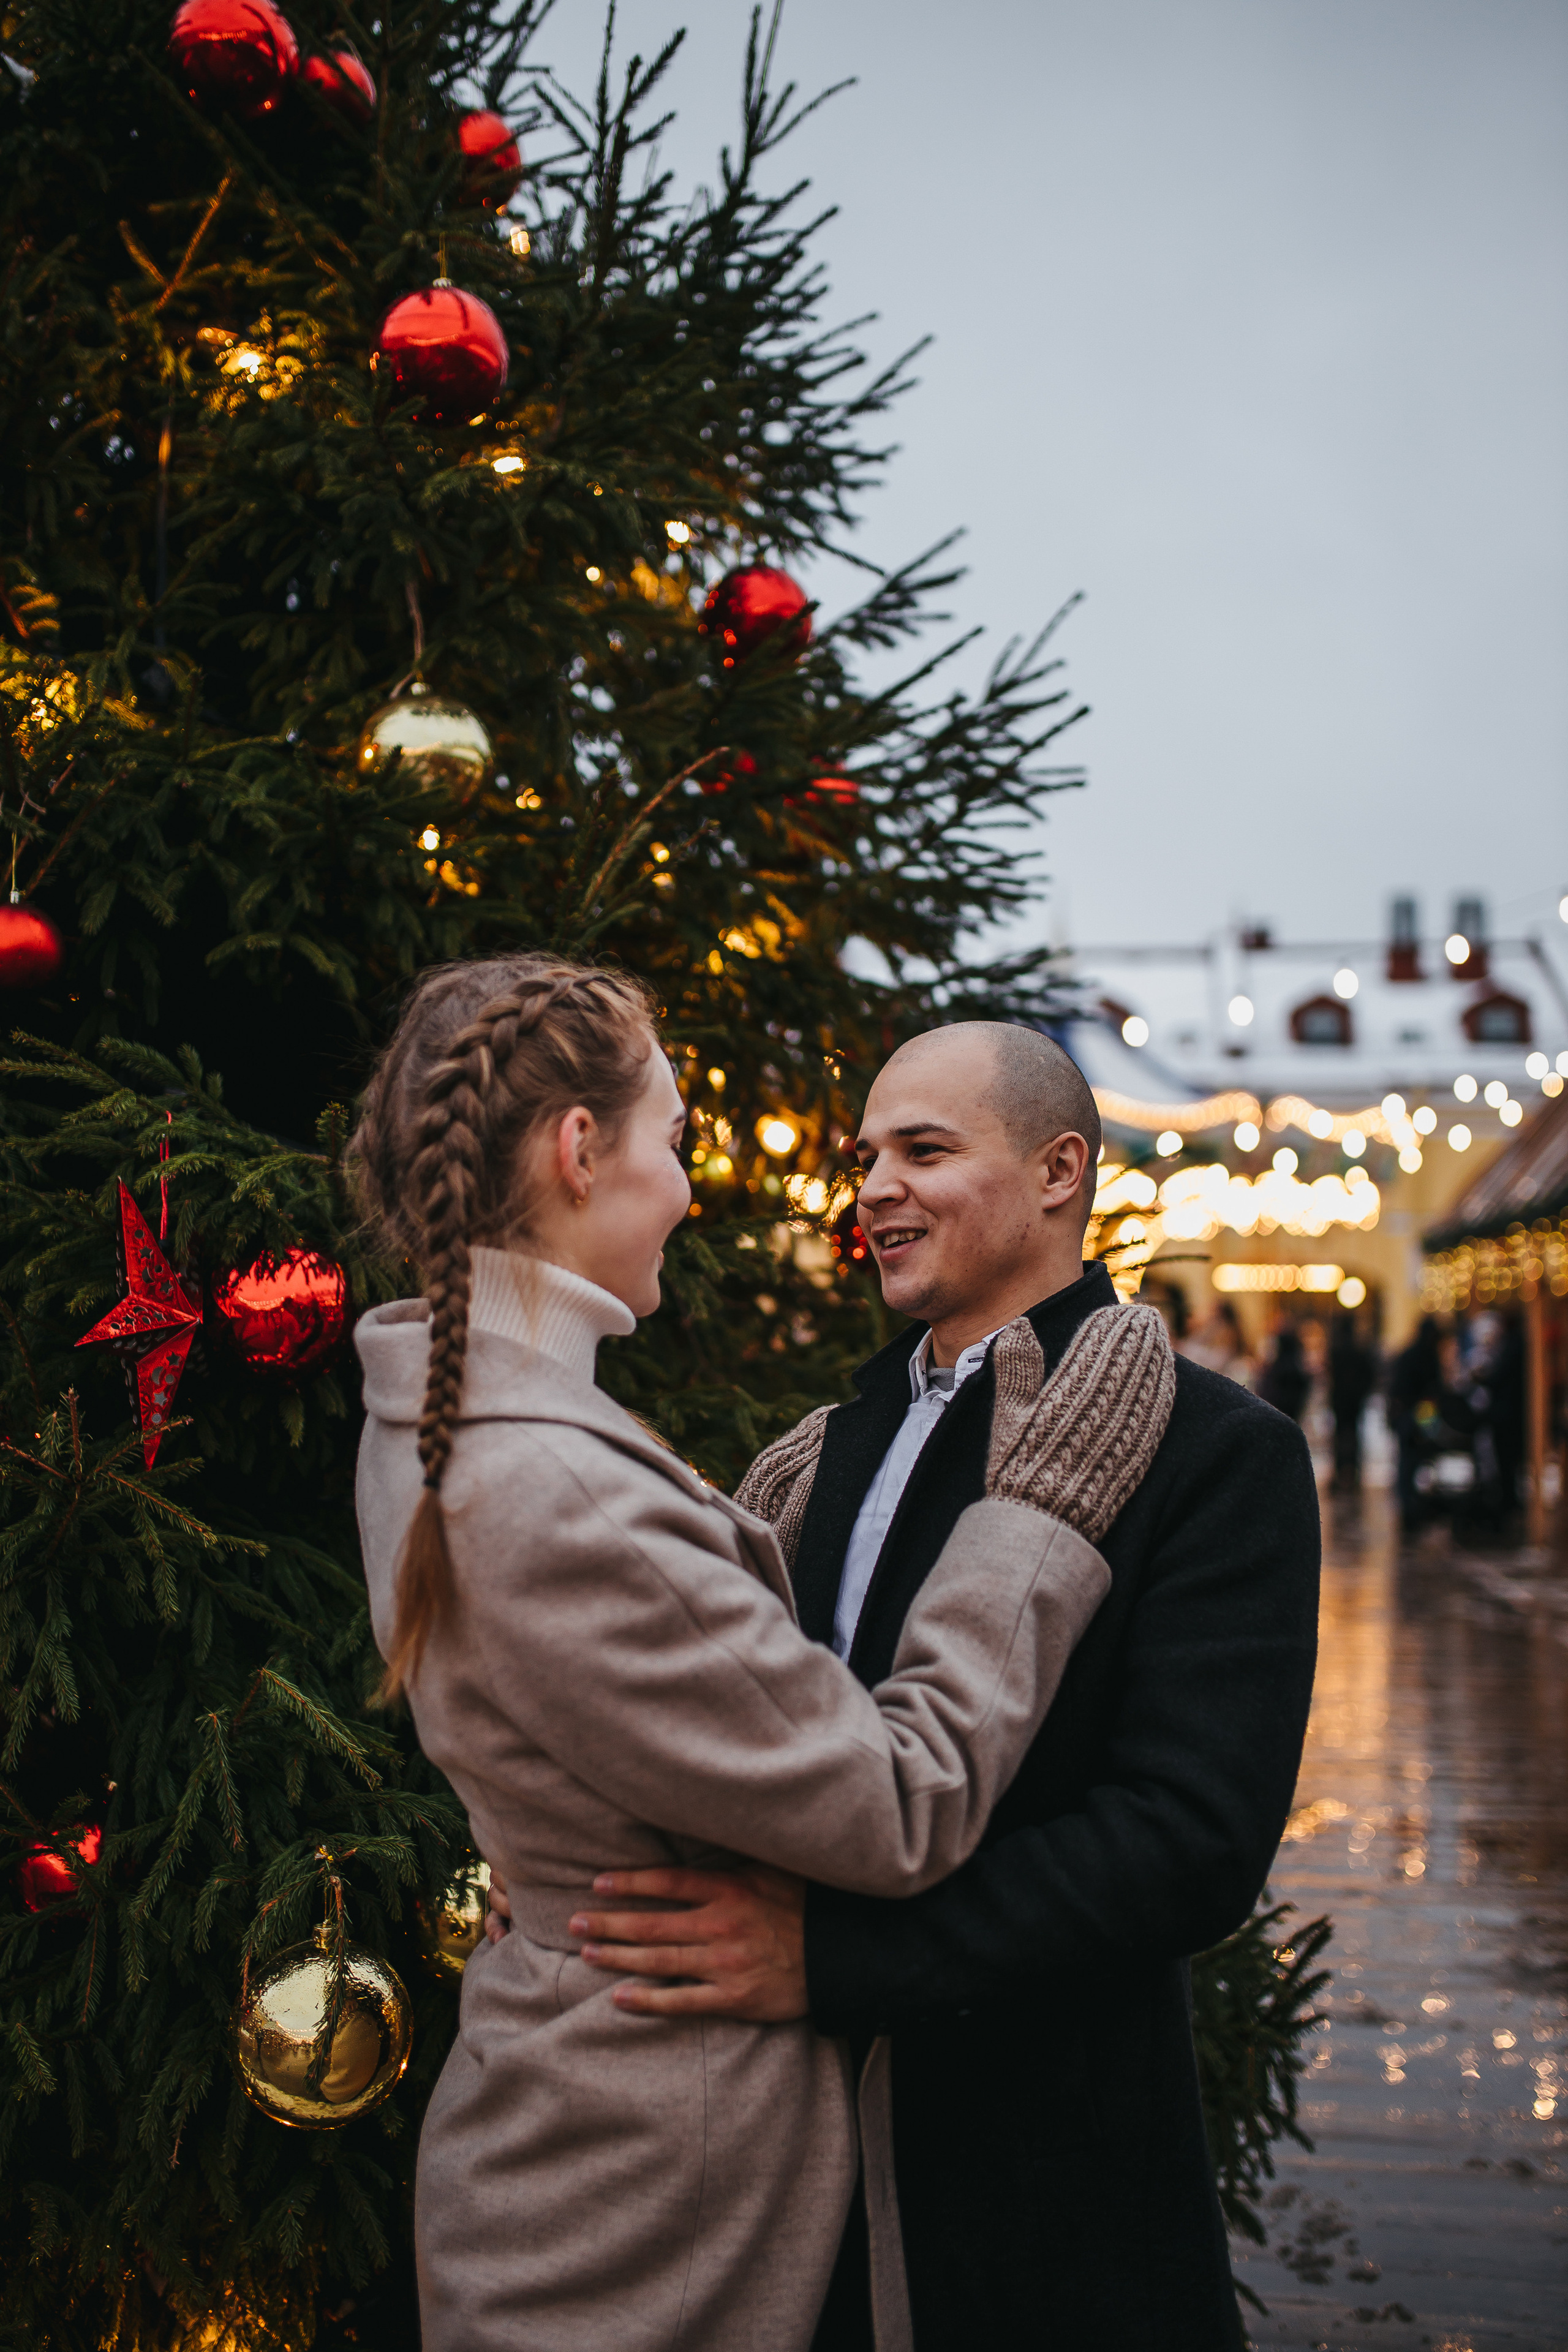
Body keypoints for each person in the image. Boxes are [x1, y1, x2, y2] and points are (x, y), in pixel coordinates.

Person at [349, 957, 1175, 2352]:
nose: (688, 1188)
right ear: (578, 1151)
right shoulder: (563, 1483)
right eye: (673, 1141)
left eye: (924, 1151)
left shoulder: (423, 1417)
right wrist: (1034, 1516)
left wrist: (727, 1549)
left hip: (580, 2114)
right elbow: (899, 1800)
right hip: (640, 2182)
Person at [535, 1021, 1321, 2352]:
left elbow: (1187, 1845)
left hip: (1039, 2181)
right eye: (864, 1159)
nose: (875, 1189)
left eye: (925, 1151)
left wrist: (835, 1959)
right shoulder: (820, 1453)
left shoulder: (1214, 1452)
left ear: (1059, 1171)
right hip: (783, 2171)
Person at [1328, 1315, 1378, 1491]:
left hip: (1340, 1401)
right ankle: (1353, 1474)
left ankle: (1340, 1473)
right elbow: (1369, 1375)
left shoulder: (1336, 1350)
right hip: (1354, 1402)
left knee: (1340, 1438)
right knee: (1355, 1437)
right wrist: (1360, 1392)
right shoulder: (1359, 1350)